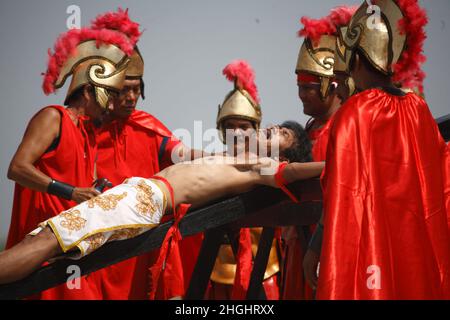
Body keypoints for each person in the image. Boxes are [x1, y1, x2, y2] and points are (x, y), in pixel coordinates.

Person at [0, 127, 324, 291]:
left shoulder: (262, 165)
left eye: (282, 134)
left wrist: (334, 163)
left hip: (149, 198)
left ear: (283, 155)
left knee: (47, 241)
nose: (271, 128)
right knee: (45, 240)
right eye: (275, 126)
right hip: (140, 191)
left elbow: (292, 174)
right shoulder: (232, 156)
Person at [317, 0, 450, 299]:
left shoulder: (354, 113)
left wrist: (315, 247)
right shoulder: (420, 109)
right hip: (417, 248)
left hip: (373, 256)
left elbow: (341, 190)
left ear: (357, 61)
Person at [5, 19, 136, 299]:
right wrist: (71, 191)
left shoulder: (87, 133)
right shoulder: (53, 117)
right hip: (39, 248)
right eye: (109, 94)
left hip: (71, 251)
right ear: (88, 90)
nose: (113, 105)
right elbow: (17, 168)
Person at [86, 8, 195, 300]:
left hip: (140, 247)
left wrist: (227, 156)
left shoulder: (148, 127)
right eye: (124, 90)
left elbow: (183, 153)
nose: (131, 97)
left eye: (137, 89)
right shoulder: (84, 130)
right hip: (98, 246)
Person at [281, 6, 355, 300]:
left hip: (334, 242)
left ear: (330, 85)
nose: (300, 94)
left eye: (307, 87)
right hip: (301, 241)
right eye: (298, 86)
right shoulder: (305, 133)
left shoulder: (349, 126)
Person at [206, 60, 281, 300]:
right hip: (218, 274)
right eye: (231, 126)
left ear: (255, 129)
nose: (237, 132)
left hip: (265, 272)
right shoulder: (208, 167)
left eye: (243, 126)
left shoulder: (271, 166)